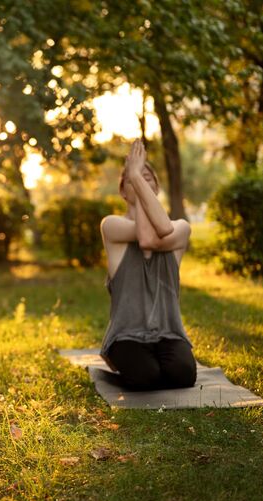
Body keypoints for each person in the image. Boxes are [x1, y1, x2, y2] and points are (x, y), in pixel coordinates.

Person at [99, 140, 197, 390]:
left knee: (183, 376)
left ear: (157, 187)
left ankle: (154, 362)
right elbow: (145, 238)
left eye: (147, 178)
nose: (140, 181)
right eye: (132, 179)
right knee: (145, 378)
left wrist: (135, 176)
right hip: (127, 335)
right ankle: (123, 359)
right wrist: (139, 183)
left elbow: (156, 235)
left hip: (168, 332)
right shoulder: (111, 226)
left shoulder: (181, 228)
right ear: (123, 191)